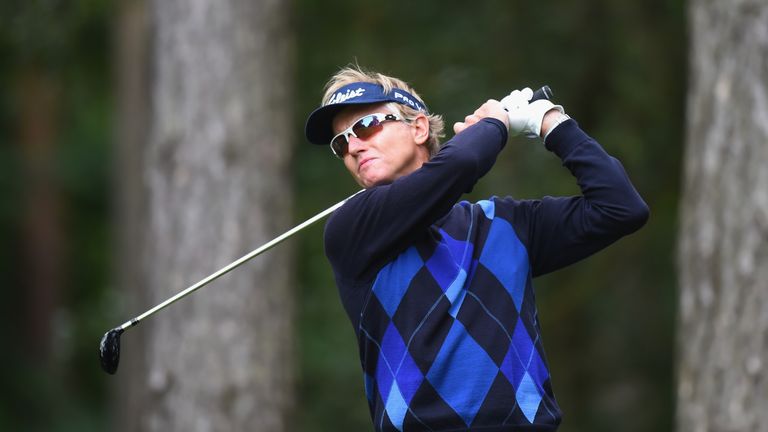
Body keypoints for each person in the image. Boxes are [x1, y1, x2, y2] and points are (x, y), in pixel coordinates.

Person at [304, 65, 649, 432]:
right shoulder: (352, 228)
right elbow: (463, 163)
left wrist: (550, 122)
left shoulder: (504, 224)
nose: (354, 146)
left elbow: (620, 208)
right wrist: (494, 123)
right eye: (341, 143)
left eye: (366, 126)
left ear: (419, 128)